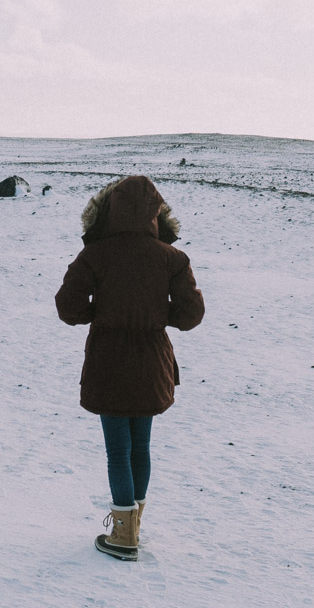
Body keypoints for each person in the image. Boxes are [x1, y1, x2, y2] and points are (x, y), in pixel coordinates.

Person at [55, 175, 204, 560]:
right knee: (141, 445)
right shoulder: (172, 258)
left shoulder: (96, 255)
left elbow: (68, 306)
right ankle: (133, 526)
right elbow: (190, 315)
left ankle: (124, 537)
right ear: (157, 213)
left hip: (109, 358)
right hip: (152, 359)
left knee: (117, 451)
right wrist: (156, 315)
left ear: (109, 210)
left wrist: (100, 312)